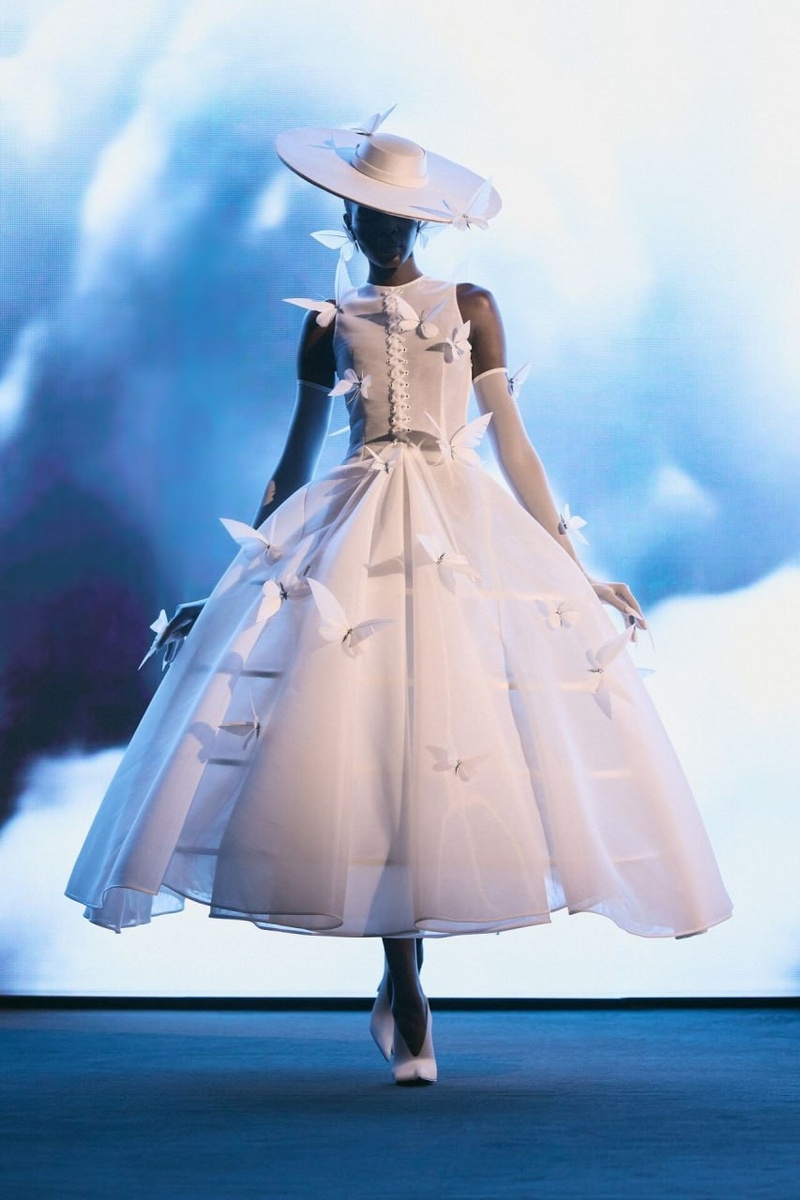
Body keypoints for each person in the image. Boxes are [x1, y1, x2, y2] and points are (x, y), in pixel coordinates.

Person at [66, 114, 732, 1086]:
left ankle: (406, 978)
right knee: (368, 741)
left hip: (460, 532)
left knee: (446, 740)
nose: (379, 228)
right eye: (365, 213)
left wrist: (570, 564)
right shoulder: (326, 322)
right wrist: (232, 581)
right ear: (347, 215)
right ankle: (406, 983)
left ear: (417, 221)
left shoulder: (471, 304)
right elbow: (294, 458)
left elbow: (512, 440)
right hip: (352, 533)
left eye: (394, 216)